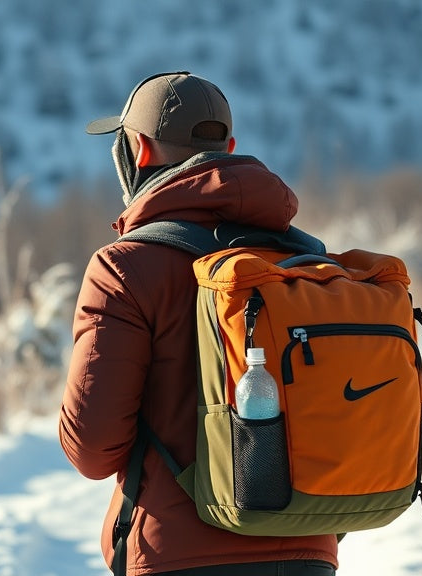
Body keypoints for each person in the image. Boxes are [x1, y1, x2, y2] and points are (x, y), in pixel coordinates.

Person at [58, 72, 339, 575]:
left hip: (175, 556)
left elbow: (91, 449)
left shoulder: (124, 268)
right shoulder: (306, 261)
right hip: (309, 552)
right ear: (228, 149)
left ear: (138, 151)